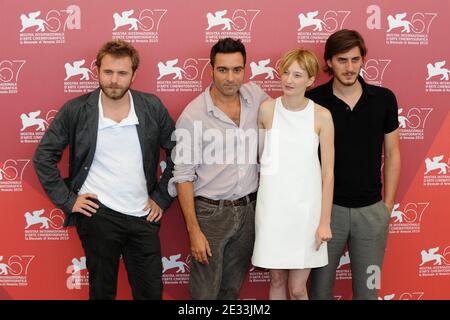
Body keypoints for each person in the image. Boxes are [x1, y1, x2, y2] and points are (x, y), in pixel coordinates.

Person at [33, 39, 176, 300]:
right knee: (102, 293)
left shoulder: (151, 107)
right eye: (108, 71)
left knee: (151, 292)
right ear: (97, 70)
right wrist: (68, 200)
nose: (114, 80)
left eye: (122, 73)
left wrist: (162, 197)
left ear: (134, 74)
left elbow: (180, 152)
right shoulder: (76, 110)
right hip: (98, 216)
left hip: (143, 215)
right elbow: (43, 157)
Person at [168, 38, 270, 299]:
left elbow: (287, 115)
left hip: (248, 210)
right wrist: (194, 231)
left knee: (231, 291)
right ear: (211, 69)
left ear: (245, 70)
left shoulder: (256, 97)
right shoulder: (193, 115)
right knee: (205, 293)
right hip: (210, 214)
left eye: (237, 70)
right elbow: (182, 176)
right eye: (222, 70)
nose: (230, 78)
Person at [306, 29, 401, 300]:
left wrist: (387, 206)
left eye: (355, 60)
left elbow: (393, 153)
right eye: (342, 60)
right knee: (319, 292)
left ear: (363, 60)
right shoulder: (314, 101)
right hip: (326, 213)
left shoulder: (384, 99)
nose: (349, 67)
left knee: (369, 291)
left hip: (372, 214)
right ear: (329, 62)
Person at [251, 49, 334, 300]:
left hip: (306, 216)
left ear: (310, 80)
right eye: (286, 72)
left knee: (298, 289)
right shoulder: (267, 110)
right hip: (273, 212)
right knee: (276, 280)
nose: (288, 80)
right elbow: (260, 159)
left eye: (297, 75)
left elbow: (328, 173)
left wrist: (324, 222)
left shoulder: (321, 116)